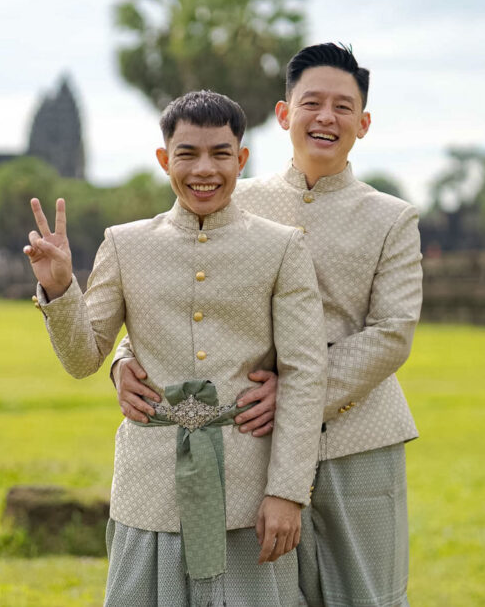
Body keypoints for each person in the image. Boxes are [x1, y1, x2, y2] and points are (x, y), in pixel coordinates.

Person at [114, 44, 423, 607]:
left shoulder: (391, 217)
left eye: (343, 107)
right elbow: (176, 287)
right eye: (312, 103)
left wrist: (298, 392)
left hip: (357, 441)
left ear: (363, 123)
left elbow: (393, 332)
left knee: (365, 596)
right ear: (284, 115)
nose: (326, 117)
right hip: (249, 448)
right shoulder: (234, 197)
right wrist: (123, 358)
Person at [24, 91, 328, 605]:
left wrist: (287, 491)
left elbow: (304, 372)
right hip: (150, 490)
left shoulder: (282, 246)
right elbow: (83, 358)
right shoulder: (125, 244)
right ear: (165, 159)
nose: (203, 169)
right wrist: (59, 288)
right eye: (187, 154)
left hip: (248, 493)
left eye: (220, 153)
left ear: (241, 159)